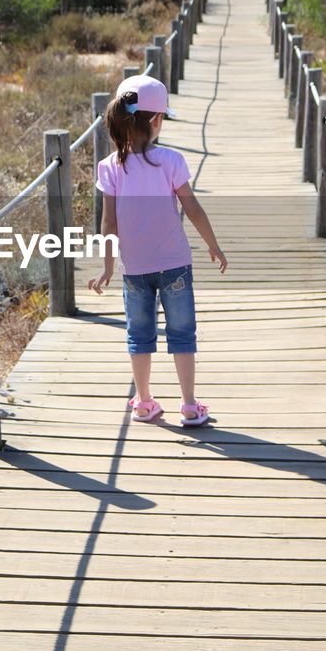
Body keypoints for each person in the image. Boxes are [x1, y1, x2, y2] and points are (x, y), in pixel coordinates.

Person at [87, 74, 227, 427]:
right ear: (155, 120)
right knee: (182, 333)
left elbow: (108, 223)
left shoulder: (109, 167)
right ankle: (190, 406)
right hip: (175, 263)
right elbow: (192, 208)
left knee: (139, 335)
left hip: (133, 268)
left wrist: (106, 267)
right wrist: (212, 244)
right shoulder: (171, 160)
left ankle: (144, 402)